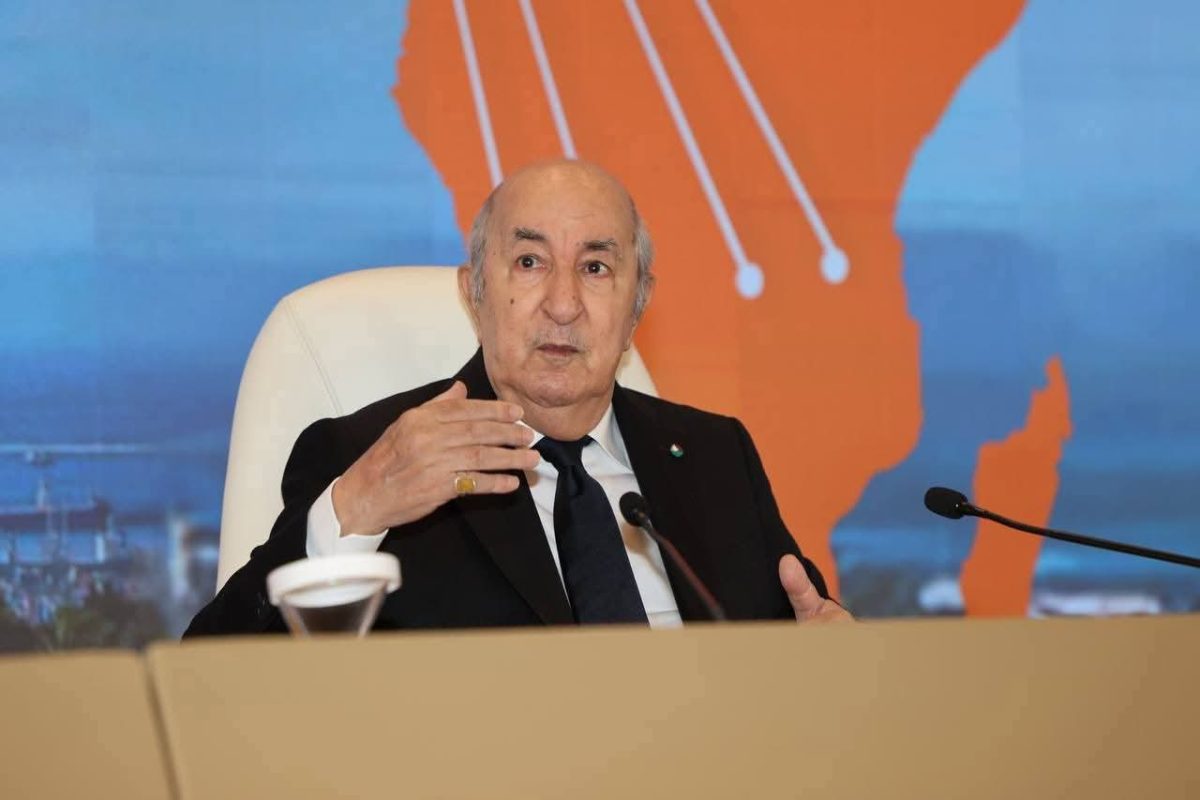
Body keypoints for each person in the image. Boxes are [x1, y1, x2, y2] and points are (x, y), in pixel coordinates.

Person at [185, 159, 850, 636]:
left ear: (637, 306)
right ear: (474, 291)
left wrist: (832, 655)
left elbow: (804, 638)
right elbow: (220, 675)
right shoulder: (370, 458)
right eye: (530, 262)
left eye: (595, 268)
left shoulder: (714, 456)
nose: (562, 304)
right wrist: (351, 512)